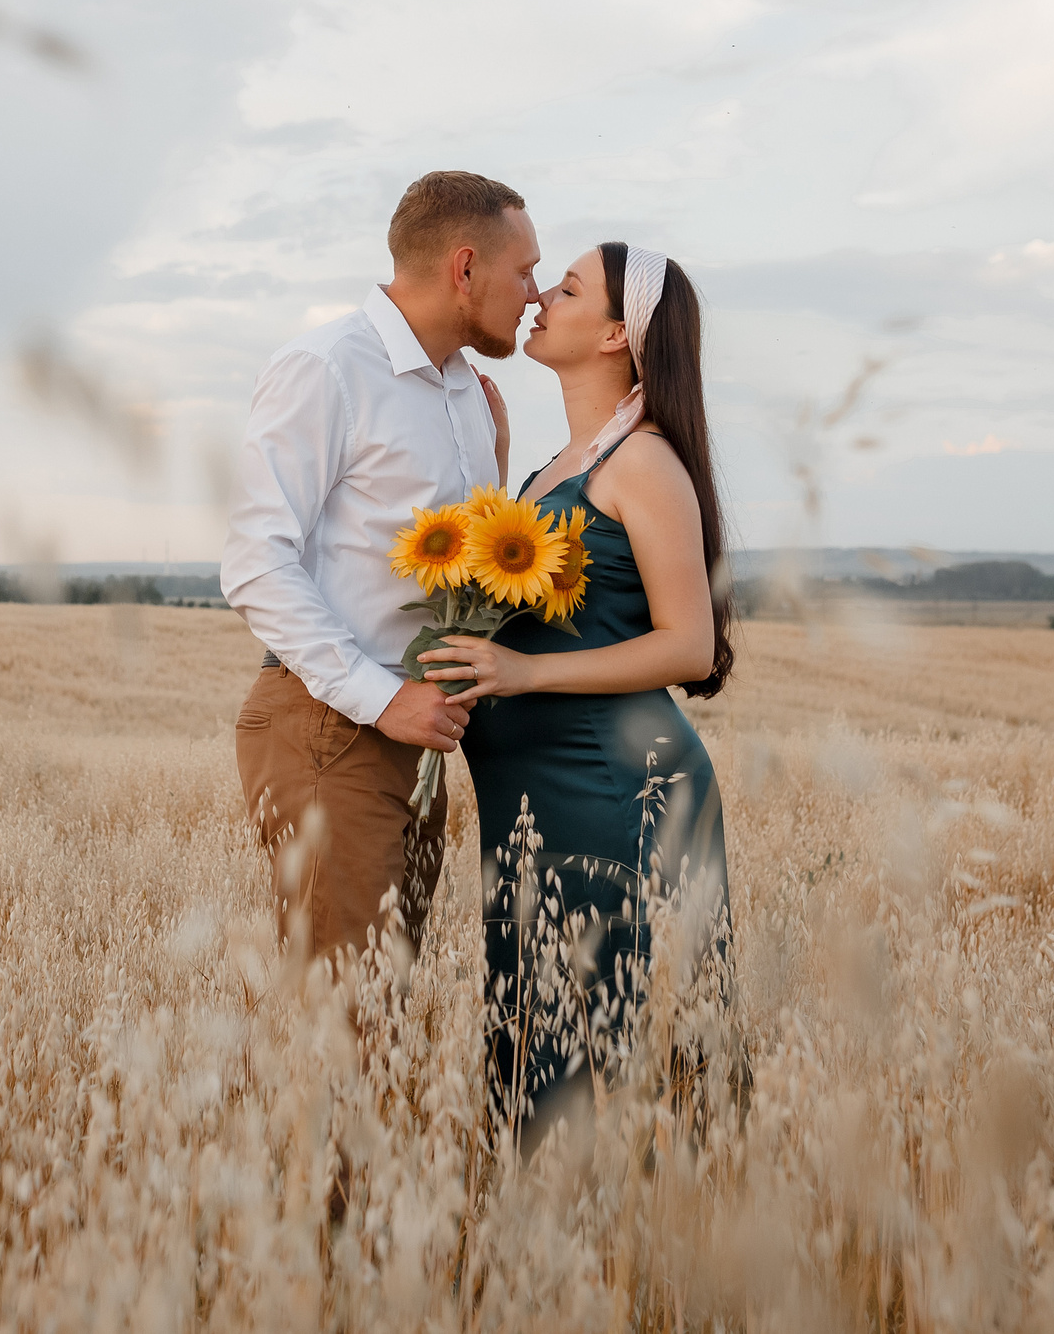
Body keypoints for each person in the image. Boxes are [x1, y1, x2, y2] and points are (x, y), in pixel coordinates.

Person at [417, 242, 734, 1134]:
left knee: (624, 1050)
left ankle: (654, 1253)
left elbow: (689, 644)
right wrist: (499, 470)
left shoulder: (643, 462)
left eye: (566, 288)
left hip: (616, 791)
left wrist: (527, 674)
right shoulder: (555, 466)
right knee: (533, 1037)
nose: (539, 298)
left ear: (616, 336)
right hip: (535, 798)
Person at [222, 171, 541, 967]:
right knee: (348, 1023)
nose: (535, 293)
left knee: (383, 1013)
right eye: (524, 269)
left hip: (414, 733)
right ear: (464, 269)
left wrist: (495, 468)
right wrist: (384, 695)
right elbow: (255, 562)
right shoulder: (326, 366)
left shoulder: (467, 389)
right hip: (332, 727)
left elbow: (456, 567)